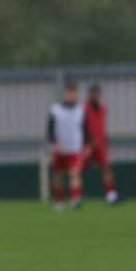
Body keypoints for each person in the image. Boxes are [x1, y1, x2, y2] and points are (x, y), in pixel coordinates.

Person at [47, 82, 85, 211]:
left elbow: (85, 128)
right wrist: (55, 143)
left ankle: (75, 199)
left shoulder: (80, 110)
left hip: (74, 148)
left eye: (74, 93)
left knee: (75, 173)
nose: (71, 95)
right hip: (59, 148)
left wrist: (87, 145)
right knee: (58, 175)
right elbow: (50, 129)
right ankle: (58, 201)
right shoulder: (55, 109)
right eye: (69, 93)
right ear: (65, 94)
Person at [83, 84, 120, 204]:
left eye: (97, 94)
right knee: (76, 169)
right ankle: (74, 196)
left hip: (100, 145)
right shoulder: (83, 108)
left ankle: (111, 196)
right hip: (86, 145)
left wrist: (104, 141)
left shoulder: (103, 108)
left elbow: (101, 126)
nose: (95, 96)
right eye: (93, 93)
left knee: (107, 169)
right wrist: (87, 142)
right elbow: (81, 126)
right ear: (89, 95)